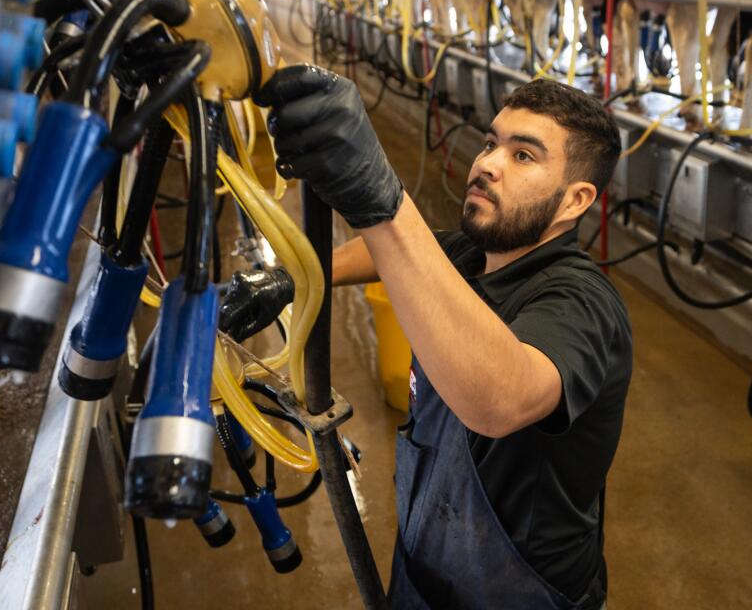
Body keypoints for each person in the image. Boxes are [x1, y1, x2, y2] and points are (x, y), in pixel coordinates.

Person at [263, 67, 633, 609]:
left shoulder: (582, 301)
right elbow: (389, 254)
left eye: (522, 155)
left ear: (575, 201)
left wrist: (382, 201)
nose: (487, 165)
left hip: (521, 595)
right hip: (426, 568)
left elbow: (499, 397)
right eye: (491, 143)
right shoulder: (471, 254)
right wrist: (293, 277)